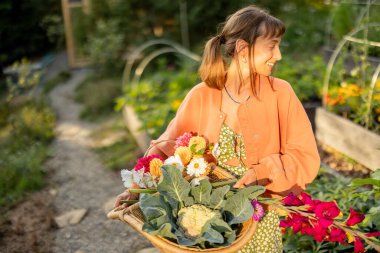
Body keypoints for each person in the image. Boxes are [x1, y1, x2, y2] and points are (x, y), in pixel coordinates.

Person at [115, 5, 320, 253]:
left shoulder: (281, 93)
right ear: (244, 49)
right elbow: (165, 151)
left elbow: (304, 156)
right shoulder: (202, 95)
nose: (278, 55)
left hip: (258, 220)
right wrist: (136, 189)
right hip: (208, 229)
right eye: (272, 45)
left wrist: (260, 172)